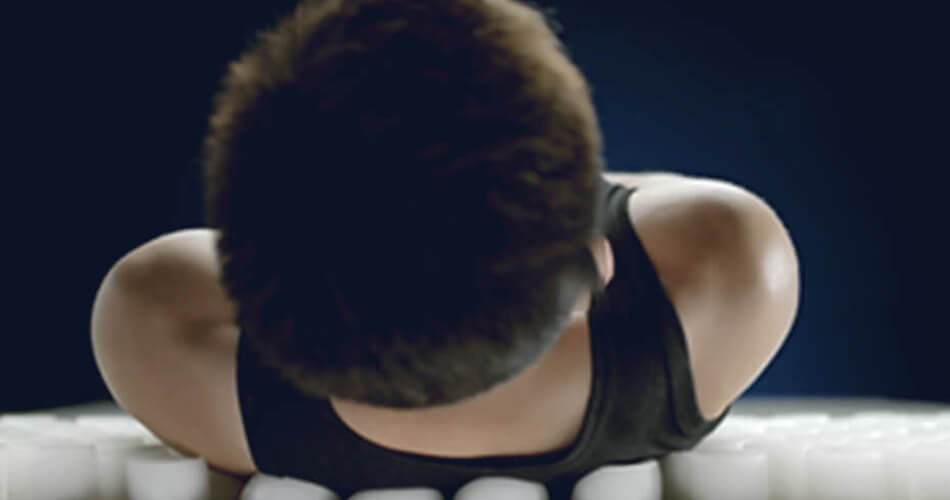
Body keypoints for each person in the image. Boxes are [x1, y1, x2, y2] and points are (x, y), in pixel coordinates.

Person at [90, 0, 800, 497]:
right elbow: (679, 212)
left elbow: (178, 273)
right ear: (597, 262)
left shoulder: (148, 333)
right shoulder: (739, 276)